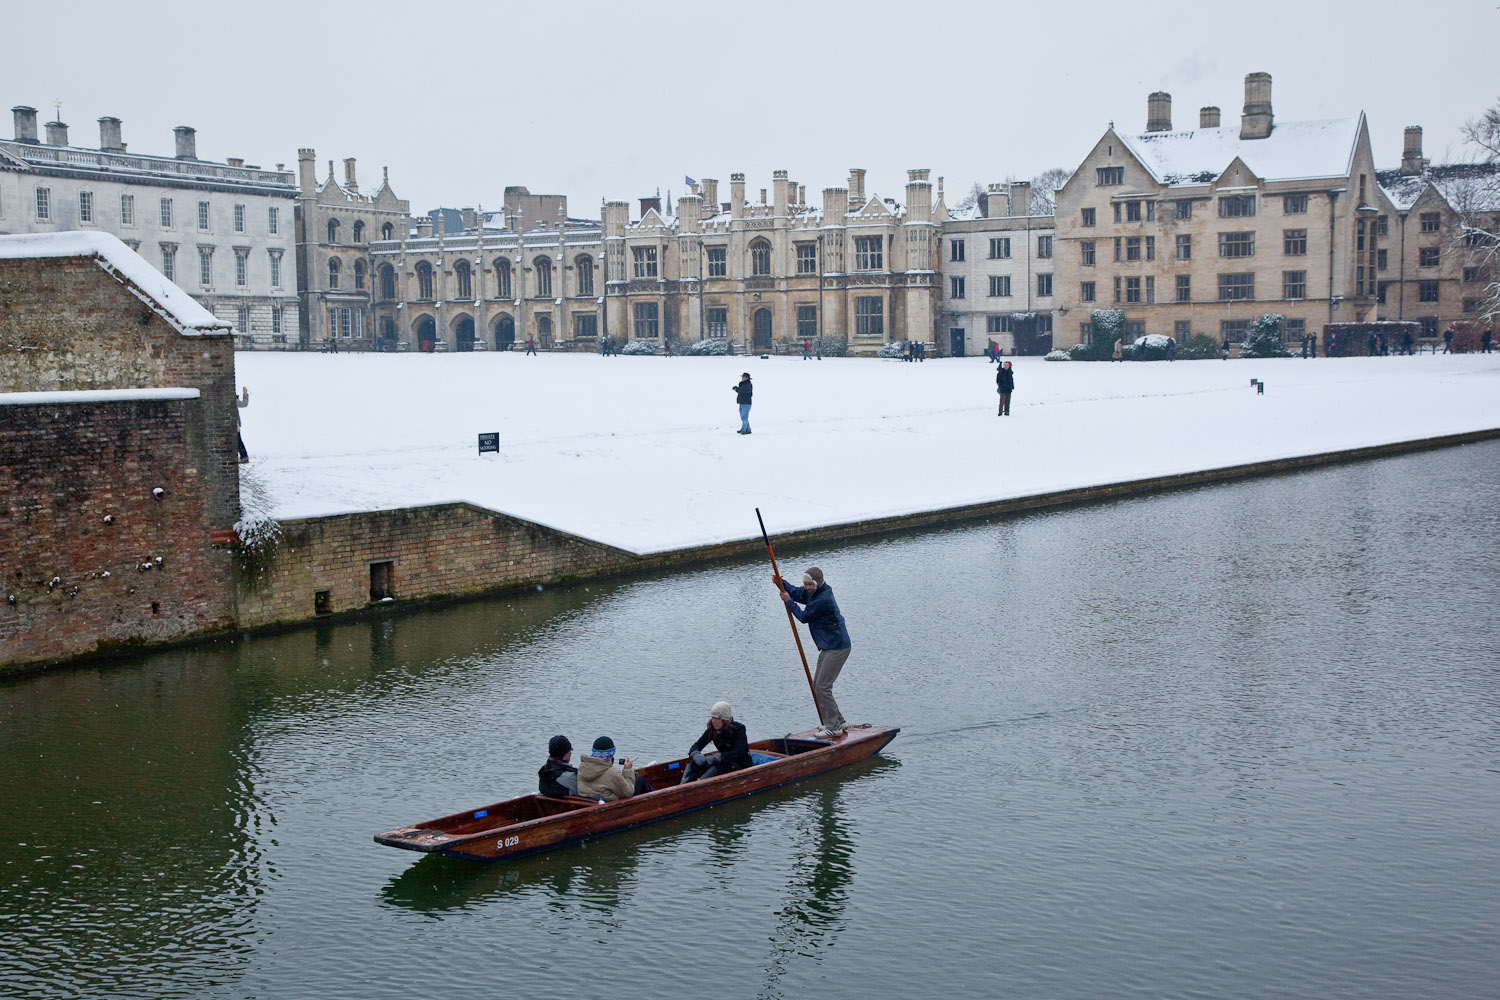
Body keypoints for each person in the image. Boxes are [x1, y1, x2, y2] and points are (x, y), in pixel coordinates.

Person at [775, 567, 852, 738]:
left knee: (823, 687)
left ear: (818, 583)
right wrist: (780, 583)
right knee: (817, 685)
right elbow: (796, 592)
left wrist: (789, 602)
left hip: (838, 647)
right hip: (828, 647)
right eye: (806, 584)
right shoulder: (812, 593)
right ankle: (839, 721)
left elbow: (803, 617)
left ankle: (834, 727)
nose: (807, 588)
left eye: (810, 584)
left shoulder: (823, 598)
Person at [681, 701, 752, 783]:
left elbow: (739, 752)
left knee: (718, 767)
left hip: (740, 765)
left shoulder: (739, 729)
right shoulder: (712, 729)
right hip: (722, 761)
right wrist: (696, 754)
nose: (713, 721)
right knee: (694, 763)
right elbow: (697, 745)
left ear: (725, 720)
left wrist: (718, 757)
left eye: (717, 718)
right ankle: (683, 785)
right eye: (712, 718)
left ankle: (699, 785)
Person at [577, 736, 650, 800]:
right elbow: (628, 793)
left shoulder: (582, 768)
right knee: (640, 779)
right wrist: (627, 770)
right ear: (611, 754)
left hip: (592, 803)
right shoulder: (612, 772)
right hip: (609, 806)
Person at [234, 386, 250, 463]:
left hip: (235, 425)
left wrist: (245, 393)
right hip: (235, 425)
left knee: (238, 441)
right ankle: (243, 456)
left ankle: (244, 456)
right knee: (237, 441)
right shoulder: (234, 400)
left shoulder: (234, 401)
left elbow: (244, 403)